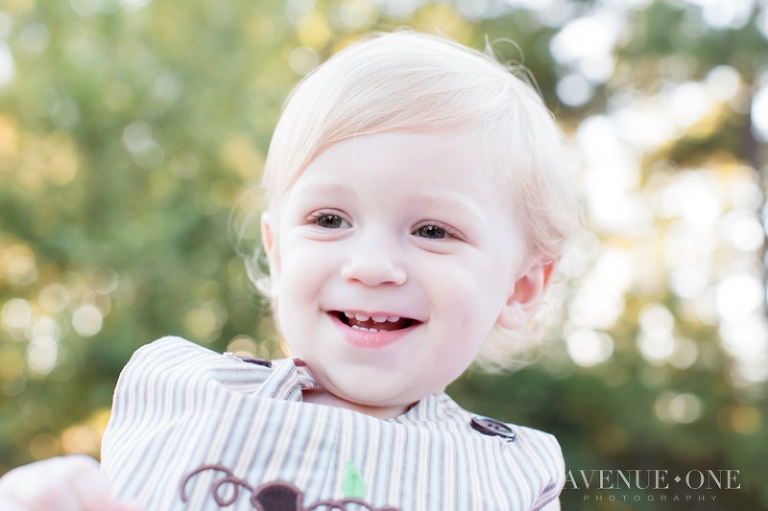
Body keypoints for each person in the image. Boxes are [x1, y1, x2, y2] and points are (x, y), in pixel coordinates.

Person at [0, 30, 580, 511]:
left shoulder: (510, 478)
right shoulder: (189, 394)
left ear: (520, 288)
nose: (372, 265)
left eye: (433, 231)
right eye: (330, 219)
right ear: (278, 253)